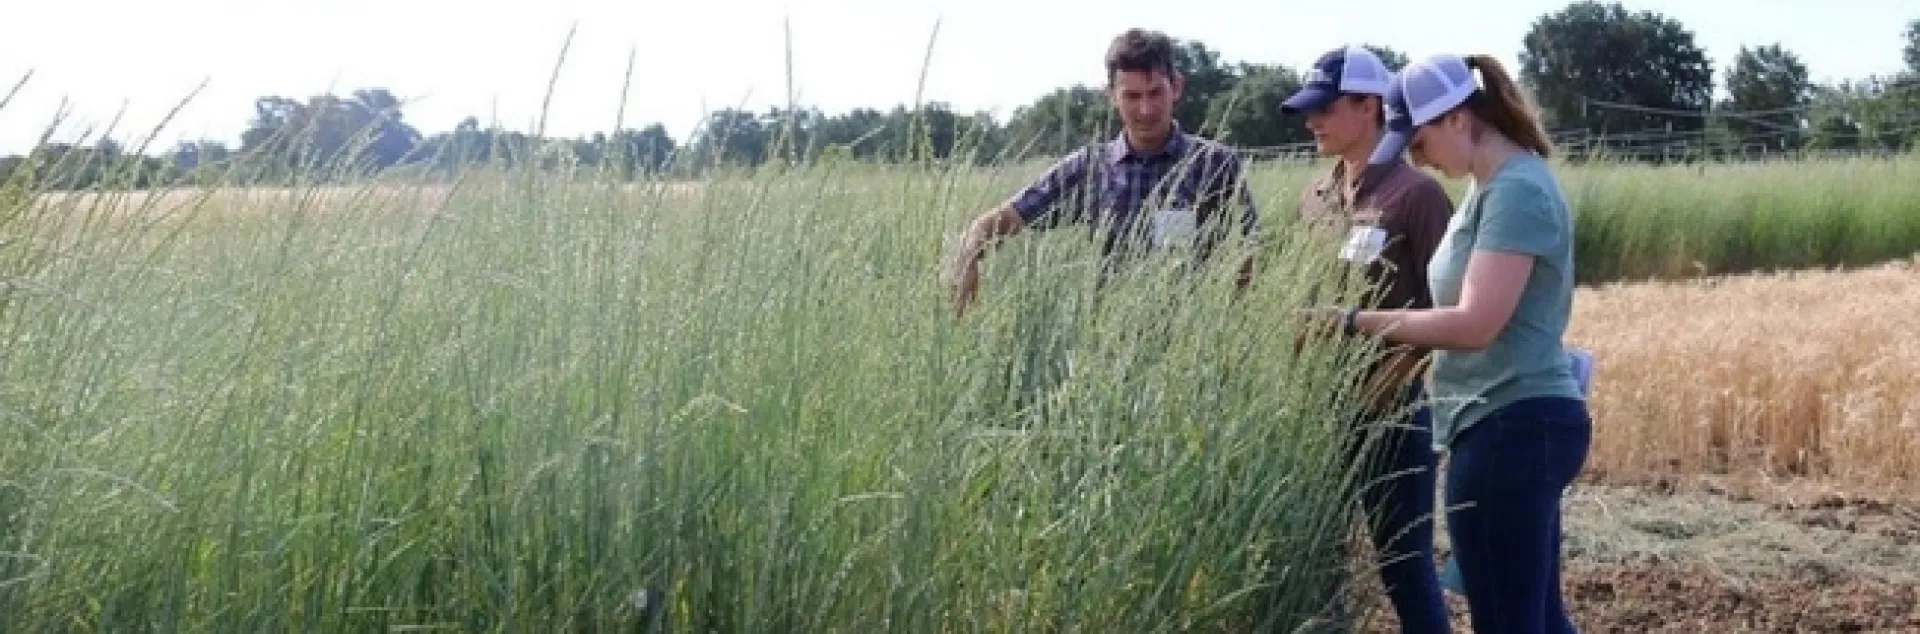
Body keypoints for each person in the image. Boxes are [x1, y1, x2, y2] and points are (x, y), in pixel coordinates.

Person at [1307, 52, 1592, 634]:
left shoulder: (1515, 192)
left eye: (1420, 141)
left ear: (1457, 118)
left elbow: (1473, 324)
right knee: (1536, 618)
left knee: (1508, 620)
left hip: (1511, 424)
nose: (1417, 157)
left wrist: (1354, 320)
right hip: (1499, 422)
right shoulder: (1488, 189)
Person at [1280, 44, 1454, 634]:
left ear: (1369, 107)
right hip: (1319, 413)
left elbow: (1448, 314)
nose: (1313, 121)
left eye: (1326, 109)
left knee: (1403, 568)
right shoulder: (1315, 197)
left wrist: (1390, 382)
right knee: (1316, 565)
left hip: (1394, 417)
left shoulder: (1417, 196)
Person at [949, 28, 1259, 318]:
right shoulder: (1089, 168)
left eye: (1155, 92)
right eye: (1132, 96)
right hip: (1106, 356)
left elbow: (1249, 248)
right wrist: (969, 250)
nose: (1146, 110)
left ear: (1176, 87)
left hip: (1191, 349)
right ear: (1111, 95)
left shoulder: (1215, 164)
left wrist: (1229, 321)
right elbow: (1008, 217)